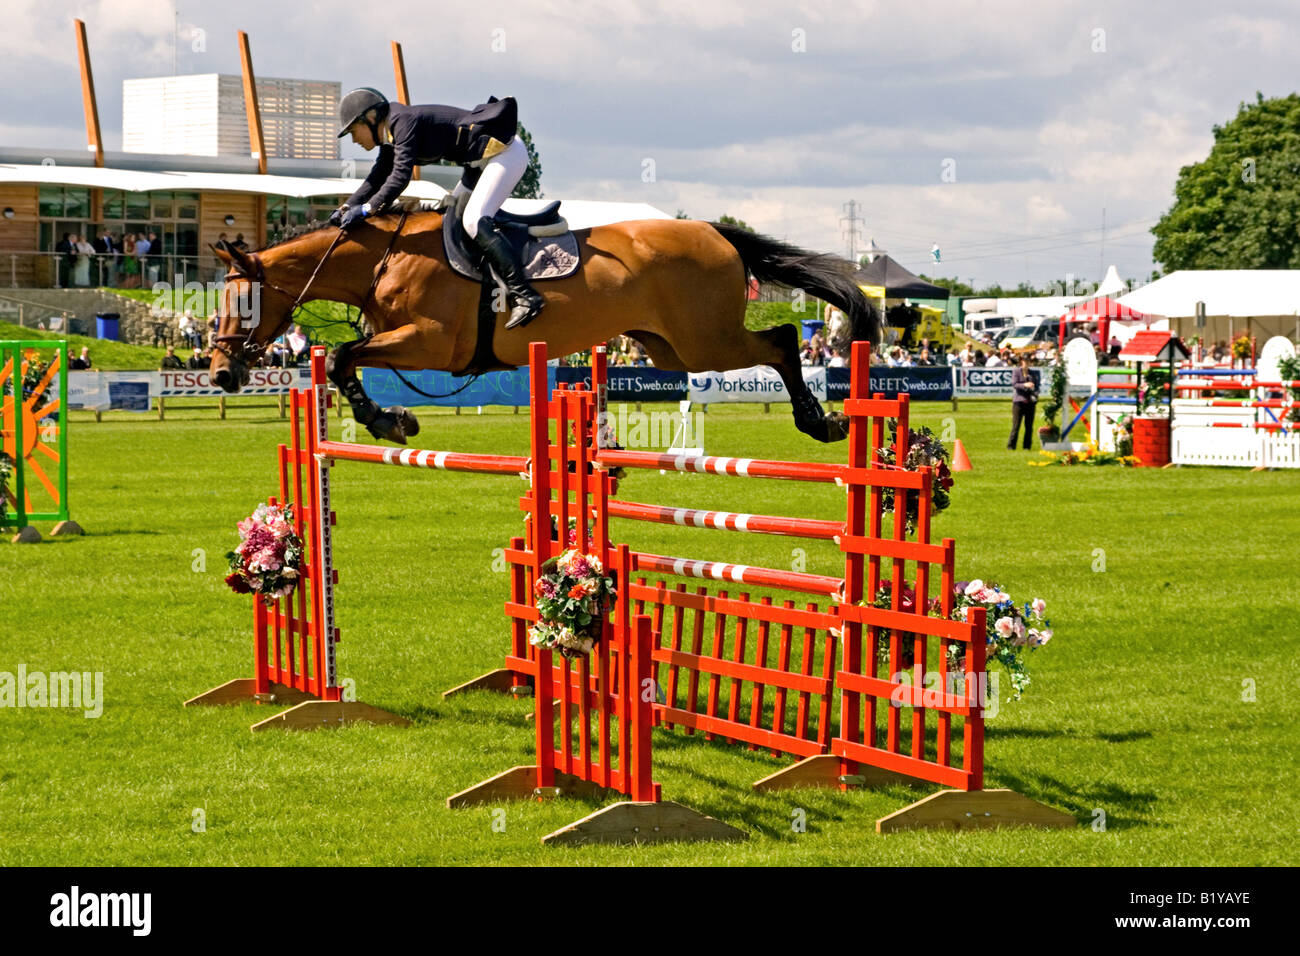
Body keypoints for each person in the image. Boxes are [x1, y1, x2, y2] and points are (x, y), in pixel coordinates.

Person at [331, 87, 544, 329]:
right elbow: (377, 177)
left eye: (353, 131)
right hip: (478, 164)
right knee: (447, 216)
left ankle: (525, 295)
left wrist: (368, 210)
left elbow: (400, 177)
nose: (354, 139)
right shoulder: (391, 133)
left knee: (474, 220)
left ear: (370, 119)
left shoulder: (403, 122)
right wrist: (348, 205)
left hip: (504, 153)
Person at [1007, 354, 1039, 450]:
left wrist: (1036, 393)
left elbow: (1037, 386)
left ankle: (1027, 446)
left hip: (1030, 403)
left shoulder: (1033, 373)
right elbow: (1014, 384)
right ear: (1021, 361)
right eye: (1025, 360)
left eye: (1028, 361)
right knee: (1016, 426)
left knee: (1029, 427)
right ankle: (1011, 446)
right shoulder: (1016, 371)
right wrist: (1025, 385)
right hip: (1019, 402)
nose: (1027, 363)